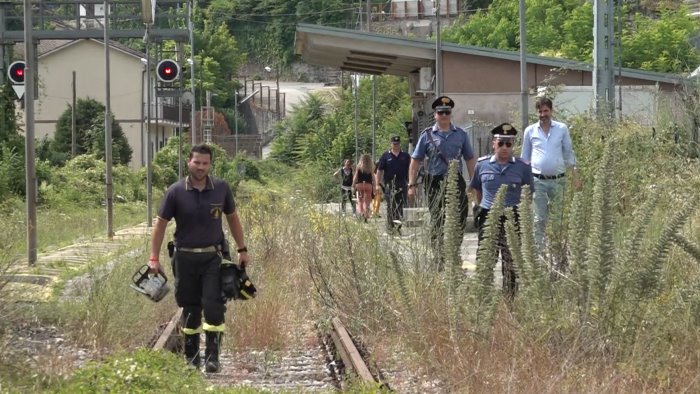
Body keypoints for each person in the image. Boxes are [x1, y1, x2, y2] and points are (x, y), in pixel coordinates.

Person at [148, 144, 250, 373]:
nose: (201, 167)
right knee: (191, 309)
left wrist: (243, 249)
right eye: (197, 163)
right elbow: (160, 225)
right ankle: (191, 357)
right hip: (184, 259)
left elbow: (233, 219)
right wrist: (153, 258)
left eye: (205, 163)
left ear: (210, 164)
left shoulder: (221, 189)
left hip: (213, 258)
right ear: (189, 162)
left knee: (214, 307)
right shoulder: (175, 191)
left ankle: (212, 357)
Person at [408, 96, 476, 269]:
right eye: (440, 112)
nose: (444, 115)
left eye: (447, 112)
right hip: (434, 180)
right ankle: (438, 256)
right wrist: (411, 185)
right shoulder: (427, 136)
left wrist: (474, 183)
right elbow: (415, 161)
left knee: (460, 217)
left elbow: (469, 159)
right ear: (436, 115)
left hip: (455, 179)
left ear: (450, 114)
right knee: (437, 219)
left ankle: (453, 252)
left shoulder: (460, 135)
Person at [470, 123, 534, 297]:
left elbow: (528, 193)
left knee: (511, 260)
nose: (505, 148)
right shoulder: (482, 165)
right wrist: (482, 207)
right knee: (486, 258)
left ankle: (510, 298)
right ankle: (483, 296)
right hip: (488, 214)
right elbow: (477, 188)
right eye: (501, 143)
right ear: (493, 143)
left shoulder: (523, 166)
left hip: (512, 216)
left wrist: (522, 215)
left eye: (509, 144)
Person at [521, 97, 580, 255]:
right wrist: (524, 184)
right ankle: (538, 254)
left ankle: (556, 253)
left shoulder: (561, 129)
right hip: (537, 180)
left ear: (551, 111)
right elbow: (525, 158)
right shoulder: (530, 131)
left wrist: (575, 176)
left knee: (557, 220)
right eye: (540, 111)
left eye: (545, 111)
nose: (543, 114)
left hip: (558, 180)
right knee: (539, 219)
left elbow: (569, 153)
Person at [376, 135, 411, 234]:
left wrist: (410, 182)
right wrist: (377, 184)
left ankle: (398, 227)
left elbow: (410, 169)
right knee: (391, 205)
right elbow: (379, 170)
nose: (396, 145)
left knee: (400, 205)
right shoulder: (385, 156)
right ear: (391, 144)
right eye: (394, 144)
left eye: (397, 144)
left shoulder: (405, 156)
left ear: (399, 144)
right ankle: (391, 227)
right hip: (389, 184)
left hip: (402, 183)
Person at [353, 154, 375, 222]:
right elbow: (373, 178)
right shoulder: (371, 167)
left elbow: (356, 177)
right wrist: (374, 185)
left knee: (360, 200)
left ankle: (361, 212)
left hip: (360, 185)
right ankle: (366, 215)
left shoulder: (359, 167)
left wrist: (353, 184)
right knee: (367, 201)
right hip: (368, 185)